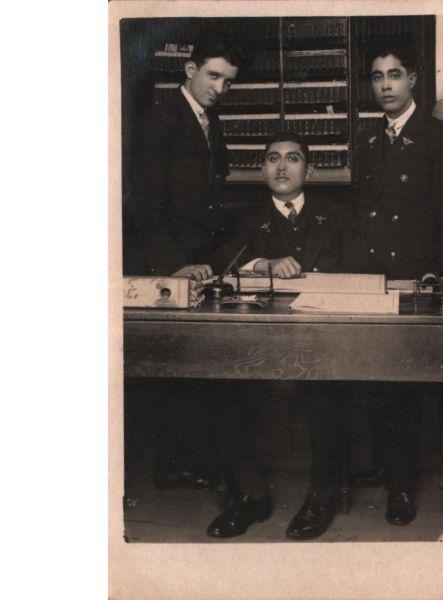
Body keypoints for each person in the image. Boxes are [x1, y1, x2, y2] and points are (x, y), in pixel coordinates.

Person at [204, 132, 362, 539]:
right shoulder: (244, 217)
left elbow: (362, 266)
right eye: (273, 158)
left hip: (324, 336)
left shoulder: (338, 216)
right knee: (224, 387)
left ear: (309, 170)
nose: (281, 166)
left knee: (329, 388)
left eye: (293, 158)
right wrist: (262, 264)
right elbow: (221, 260)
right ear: (262, 169)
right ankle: (251, 496)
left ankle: (321, 496)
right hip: (260, 339)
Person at [351, 42, 443, 525]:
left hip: (420, 275)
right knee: (376, 376)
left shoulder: (440, 138)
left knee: (404, 382)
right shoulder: (369, 142)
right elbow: (362, 214)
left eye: (395, 74)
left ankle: (402, 484)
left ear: (413, 79)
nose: (385, 85)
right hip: (377, 275)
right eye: (377, 76)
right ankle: (386, 465)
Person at [130, 31, 248, 490]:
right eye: (214, 76)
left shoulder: (210, 121)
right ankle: (175, 466)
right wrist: (172, 264)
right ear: (190, 70)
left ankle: (196, 462)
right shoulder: (158, 121)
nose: (220, 88)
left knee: (204, 368)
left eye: (229, 81)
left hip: (202, 261)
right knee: (179, 370)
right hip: (172, 265)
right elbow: (147, 204)